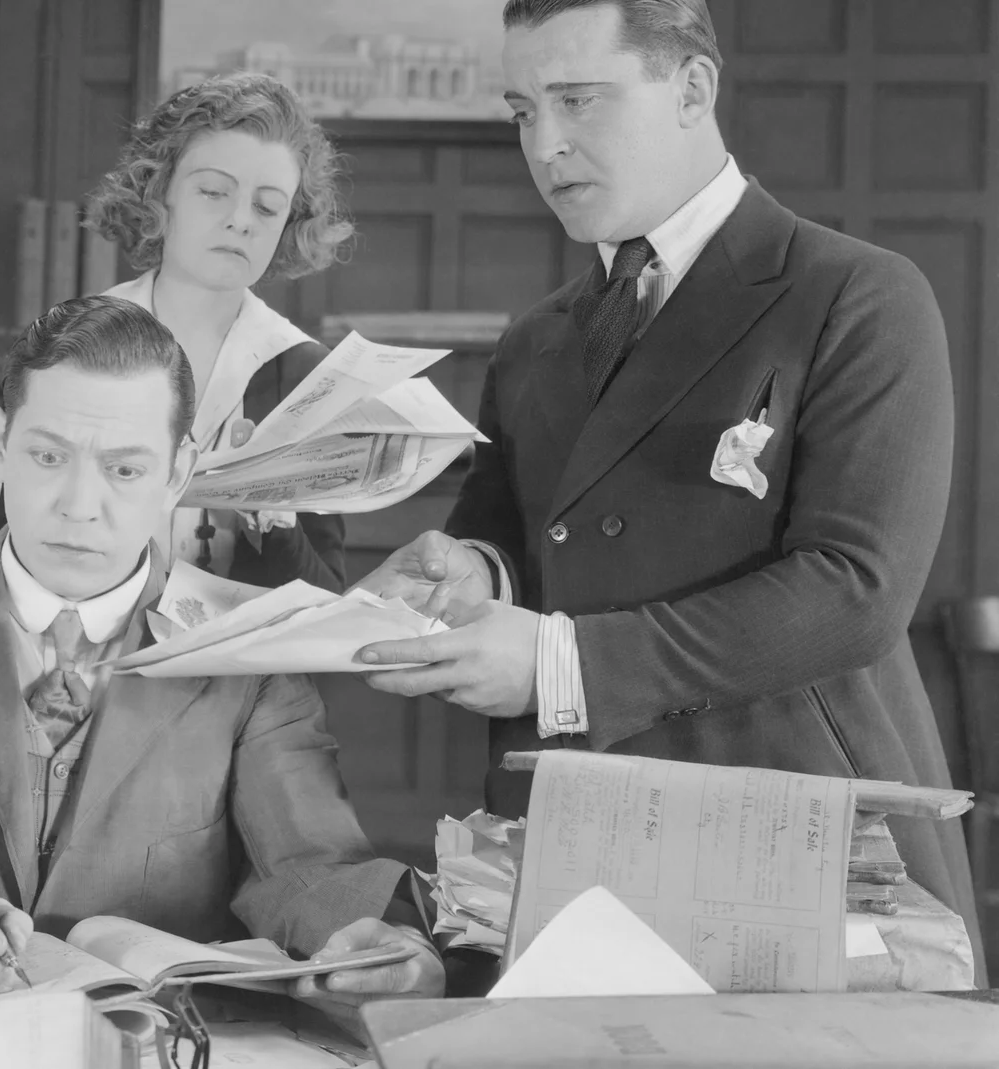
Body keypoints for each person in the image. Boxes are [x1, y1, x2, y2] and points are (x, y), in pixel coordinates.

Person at [352, 0, 982, 975]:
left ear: (692, 87)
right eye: (523, 111)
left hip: (809, 859)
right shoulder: (536, 342)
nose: (546, 145)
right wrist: (468, 577)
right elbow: (512, 543)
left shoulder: (855, 294)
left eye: (578, 101)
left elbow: (854, 590)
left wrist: (562, 665)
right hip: (587, 852)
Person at [0, 296, 442, 1009]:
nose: (80, 505)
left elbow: (314, 865)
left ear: (179, 471)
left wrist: (384, 942)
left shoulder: (251, 651)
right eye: (49, 456)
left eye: (124, 470)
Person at [87, 72, 351, 593]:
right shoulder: (76, 343)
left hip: (248, 669)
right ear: (158, 194)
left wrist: (278, 524)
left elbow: (325, 594)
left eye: (267, 206)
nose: (240, 221)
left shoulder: (305, 372)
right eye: (213, 192)